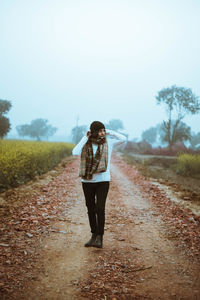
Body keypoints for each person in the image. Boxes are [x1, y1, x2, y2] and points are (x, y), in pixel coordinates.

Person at [72, 121, 126, 248]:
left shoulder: (109, 142)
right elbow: (75, 152)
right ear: (94, 132)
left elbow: (124, 139)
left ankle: (100, 237)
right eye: (100, 130)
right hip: (87, 181)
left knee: (100, 208)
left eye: (103, 130)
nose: (103, 133)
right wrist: (85, 137)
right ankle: (93, 236)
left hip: (103, 180)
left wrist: (108, 131)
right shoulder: (87, 142)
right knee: (90, 209)